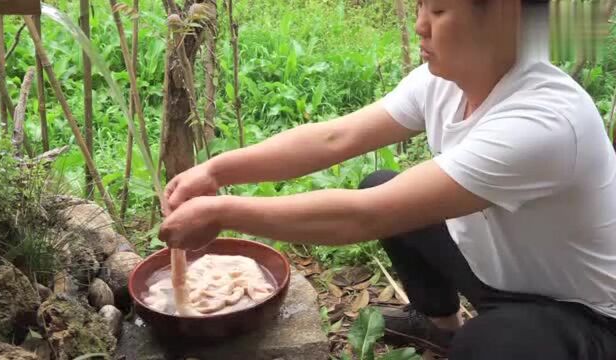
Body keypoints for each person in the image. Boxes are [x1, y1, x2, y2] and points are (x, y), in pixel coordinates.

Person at [159, 0, 616, 358]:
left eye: (438, 11)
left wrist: (223, 212)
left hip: (582, 311)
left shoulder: (543, 123)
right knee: (381, 183)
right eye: (419, 7)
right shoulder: (446, 81)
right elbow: (336, 137)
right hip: (500, 272)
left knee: (492, 345)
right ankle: (440, 325)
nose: (420, 24)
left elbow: (361, 219)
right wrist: (216, 170)